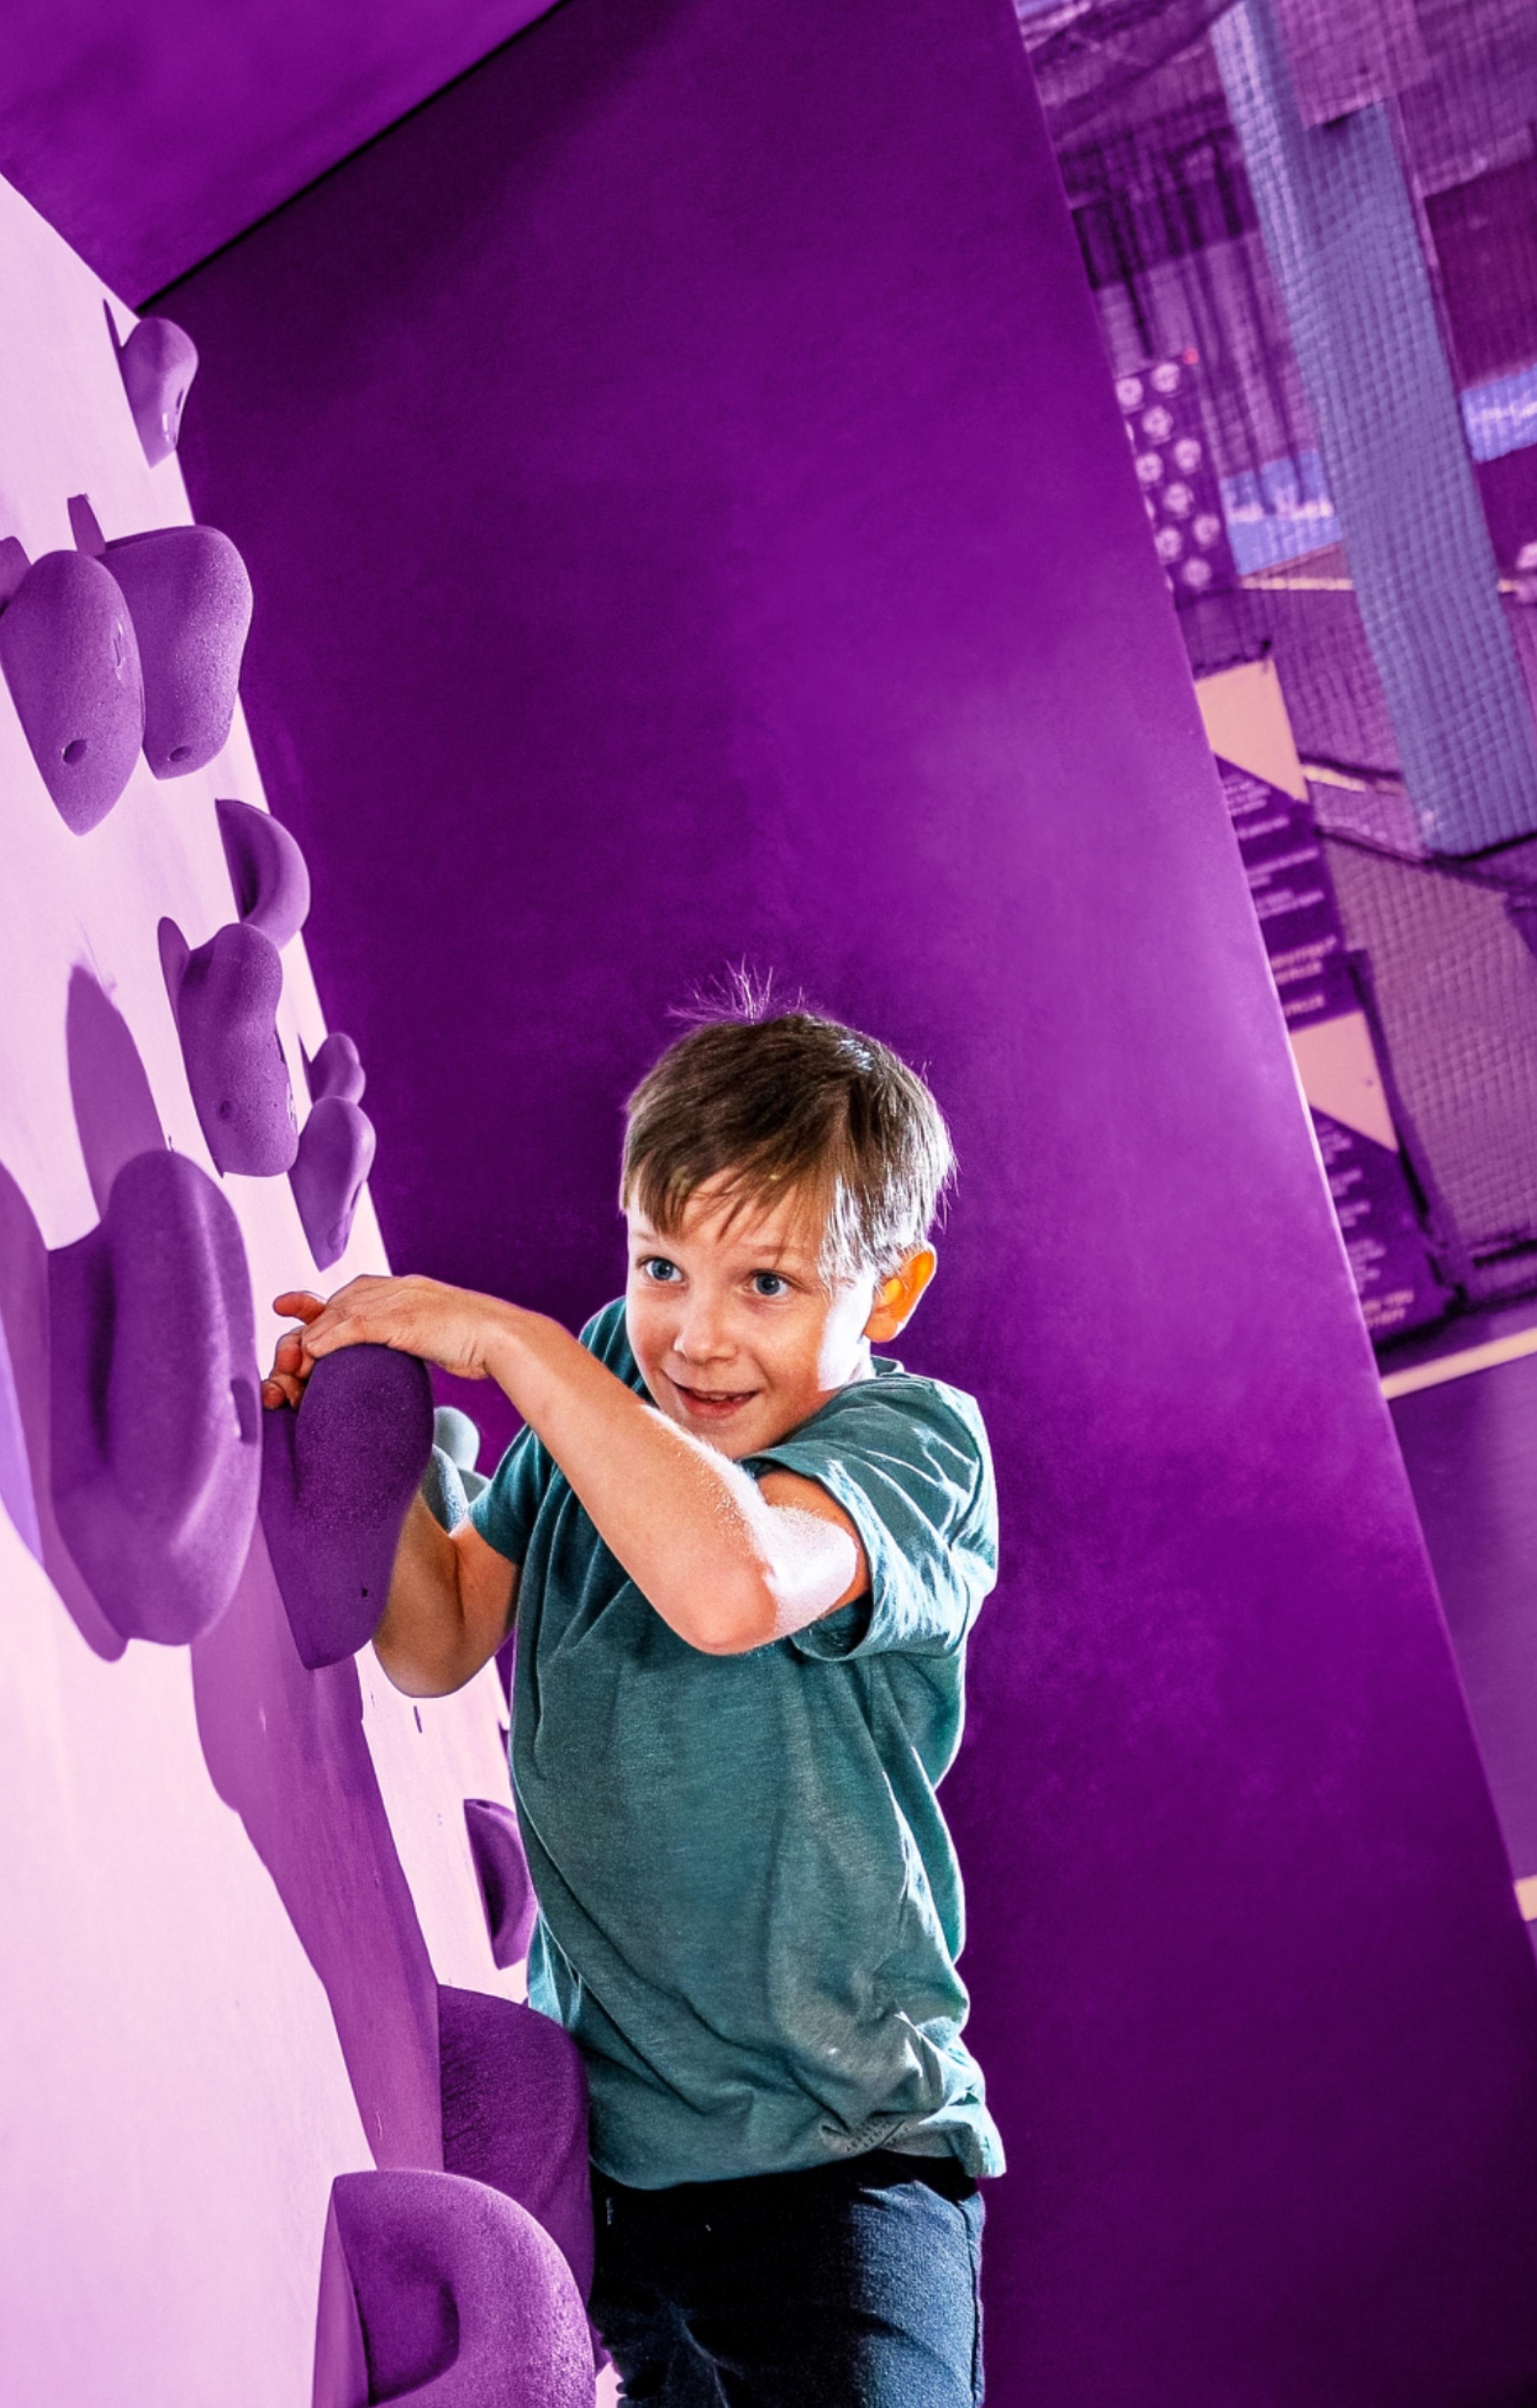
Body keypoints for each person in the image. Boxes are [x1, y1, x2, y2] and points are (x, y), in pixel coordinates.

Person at [262, 1001, 999, 2408]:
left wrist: (513, 1345)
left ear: (890, 1293)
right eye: (663, 1265)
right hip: (621, 2174)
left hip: (839, 2161)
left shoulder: (914, 1449)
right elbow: (441, 1633)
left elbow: (733, 1583)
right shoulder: (610, 1369)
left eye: (767, 1282)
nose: (698, 1338)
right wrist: (365, 1442)